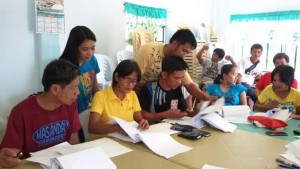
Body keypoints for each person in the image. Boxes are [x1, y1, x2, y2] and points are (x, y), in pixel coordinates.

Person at [0, 59, 81, 167]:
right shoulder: (21, 112)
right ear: (55, 89)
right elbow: (12, 151)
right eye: (74, 88)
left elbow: (73, 137)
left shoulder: (70, 104)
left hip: (61, 163)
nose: (78, 92)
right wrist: (7, 157)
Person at [134, 29, 211, 102]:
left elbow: (190, 85)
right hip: (136, 94)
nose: (184, 55)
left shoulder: (177, 60)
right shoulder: (148, 51)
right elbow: (132, 78)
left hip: (156, 97)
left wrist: (207, 98)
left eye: (187, 53)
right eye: (184, 51)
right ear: (174, 44)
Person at [60, 25, 100, 142]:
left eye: (93, 48)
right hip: (71, 114)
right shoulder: (65, 66)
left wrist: (97, 102)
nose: (90, 53)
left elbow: (94, 84)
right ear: (74, 48)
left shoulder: (92, 60)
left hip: (86, 109)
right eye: (85, 49)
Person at [88, 60, 149, 135]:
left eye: (134, 81)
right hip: (104, 142)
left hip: (125, 140)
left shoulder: (132, 95)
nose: (130, 85)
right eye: (128, 79)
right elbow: (92, 127)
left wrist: (143, 122)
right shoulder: (100, 96)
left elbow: (138, 119)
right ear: (117, 77)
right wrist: (115, 128)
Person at [138, 56, 198, 124]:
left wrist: (196, 113)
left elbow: (182, 111)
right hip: (154, 129)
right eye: (176, 78)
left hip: (172, 128)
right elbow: (142, 114)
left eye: (181, 78)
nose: (179, 82)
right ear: (164, 75)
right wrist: (165, 115)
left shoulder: (177, 88)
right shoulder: (149, 89)